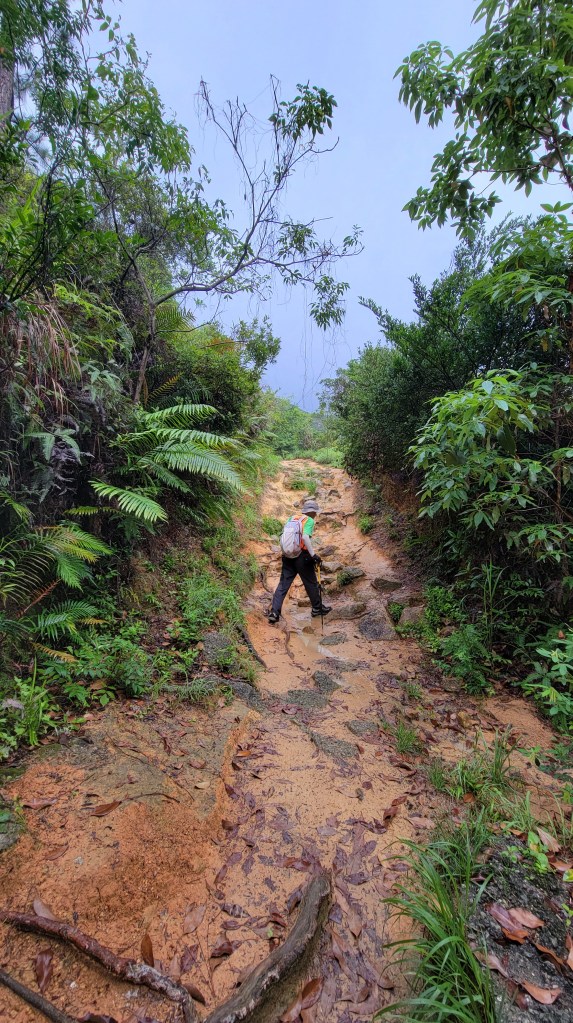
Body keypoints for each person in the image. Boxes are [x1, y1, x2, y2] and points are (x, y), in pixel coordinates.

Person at [267, 498, 332, 624]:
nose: (316, 514)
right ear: (312, 512)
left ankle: (274, 612)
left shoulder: (292, 518)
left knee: (283, 585)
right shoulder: (309, 520)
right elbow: (305, 538)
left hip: (287, 556)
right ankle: (317, 608)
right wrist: (313, 555)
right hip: (302, 557)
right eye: (315, 512)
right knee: (311, 582)